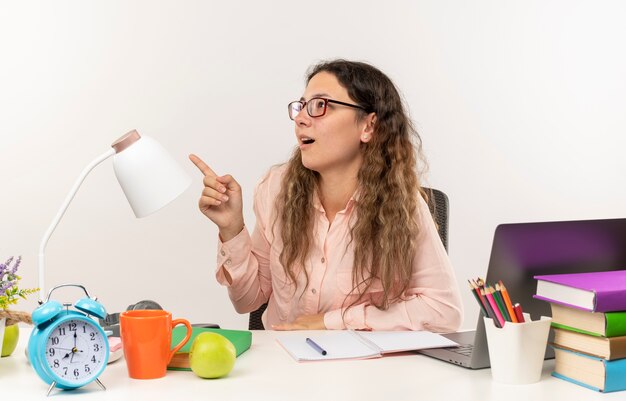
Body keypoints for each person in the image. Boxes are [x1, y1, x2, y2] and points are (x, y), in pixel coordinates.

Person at [190, 59, 462, 331]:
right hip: (284, 364)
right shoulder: (276, 190)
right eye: (302, 106)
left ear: (368, 127)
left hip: (365, 368)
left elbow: (444, 311)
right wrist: (231, 227)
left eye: (321, 105)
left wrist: (334, 323)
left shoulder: (403, 205)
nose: (300, 118)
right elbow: (247, 301)